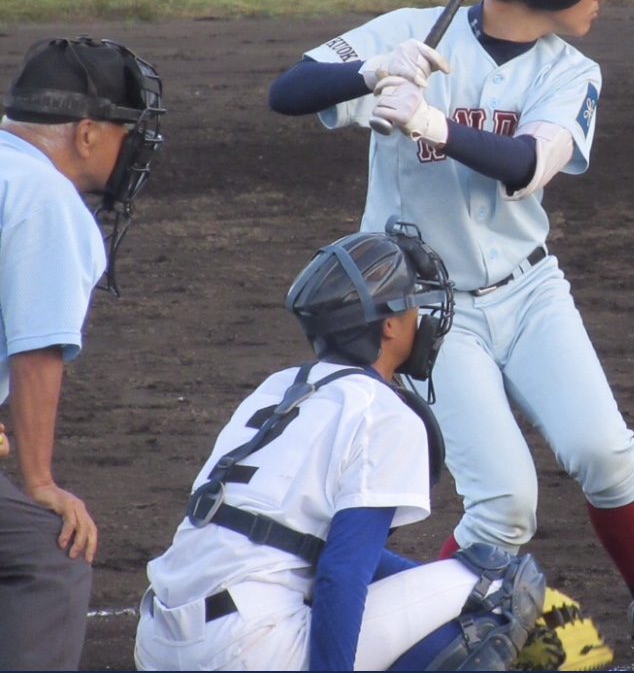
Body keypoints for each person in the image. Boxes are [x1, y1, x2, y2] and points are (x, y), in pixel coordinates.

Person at [268, 0, 634, 671]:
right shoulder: (414, 33)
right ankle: (436, 640)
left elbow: (526, 164)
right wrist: (369, 71)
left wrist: (430, 121)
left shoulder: (570, 70)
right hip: (429, 319)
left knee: (606, 452)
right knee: (504, 502)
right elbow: (288, 90)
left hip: (531, 290)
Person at [135, 221, 547, 671]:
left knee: (446, 583)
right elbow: (342, 574)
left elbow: (302, 544)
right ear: (390, 325)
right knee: (500, 589)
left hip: (158, 643)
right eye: (414, 305)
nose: (422, 318)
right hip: (243, 648)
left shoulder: (278, 388)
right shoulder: (384, 413)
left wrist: (430, 581)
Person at [0, 35, 165, 671]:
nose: (136, 146)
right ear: (89, 133)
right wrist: (39, 482)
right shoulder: (44, 197)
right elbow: (37, 350)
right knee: (47, 554)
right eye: (128, 130)